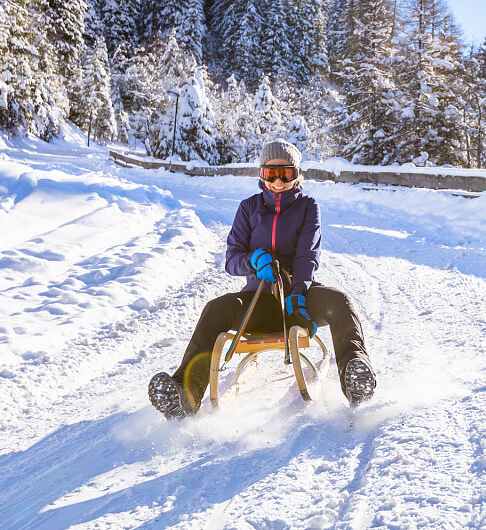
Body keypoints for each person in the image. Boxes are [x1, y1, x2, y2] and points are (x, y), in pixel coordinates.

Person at [148, 139, 376, 419]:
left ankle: (355, 374)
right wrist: (254, 261)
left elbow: (308, 256)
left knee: (340, 301)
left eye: (286, 174)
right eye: (271, 174)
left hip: (300, 299)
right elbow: (231, 260)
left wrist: (297, 294)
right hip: (261, 300)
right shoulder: (248, 208)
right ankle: (184, 393)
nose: (278, 181)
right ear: (261, 174)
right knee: (215, 309)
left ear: (297, 175)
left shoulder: (308, 207)